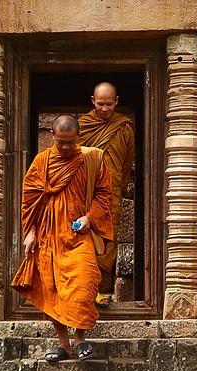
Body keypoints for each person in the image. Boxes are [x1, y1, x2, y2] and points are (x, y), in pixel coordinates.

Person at [11, 115, 113, 362]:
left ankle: (80, 339)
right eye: (61, 143)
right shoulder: (42, 162)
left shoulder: (93, 159)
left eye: (70, 142)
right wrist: (30, 233)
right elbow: (30, 200)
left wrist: (90, 217)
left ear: (78, 137)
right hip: (49, 237)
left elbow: (104, 194)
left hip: (79, 236)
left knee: (84, 284)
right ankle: (63, 344)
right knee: (53, 291)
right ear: (52, 137)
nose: (66, 147)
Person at [78, 82, 135, 308]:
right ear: (93, 101)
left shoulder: (124, 127)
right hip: (84, 195)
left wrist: (117, 188)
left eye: (109, 104)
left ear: (117, 101)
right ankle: (82, 291)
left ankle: (101, 291)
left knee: (108, 241)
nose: (104, 109)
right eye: (100, 104)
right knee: (83, 241)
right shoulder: (82, 126)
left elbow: (127, 160)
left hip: (111, 195)